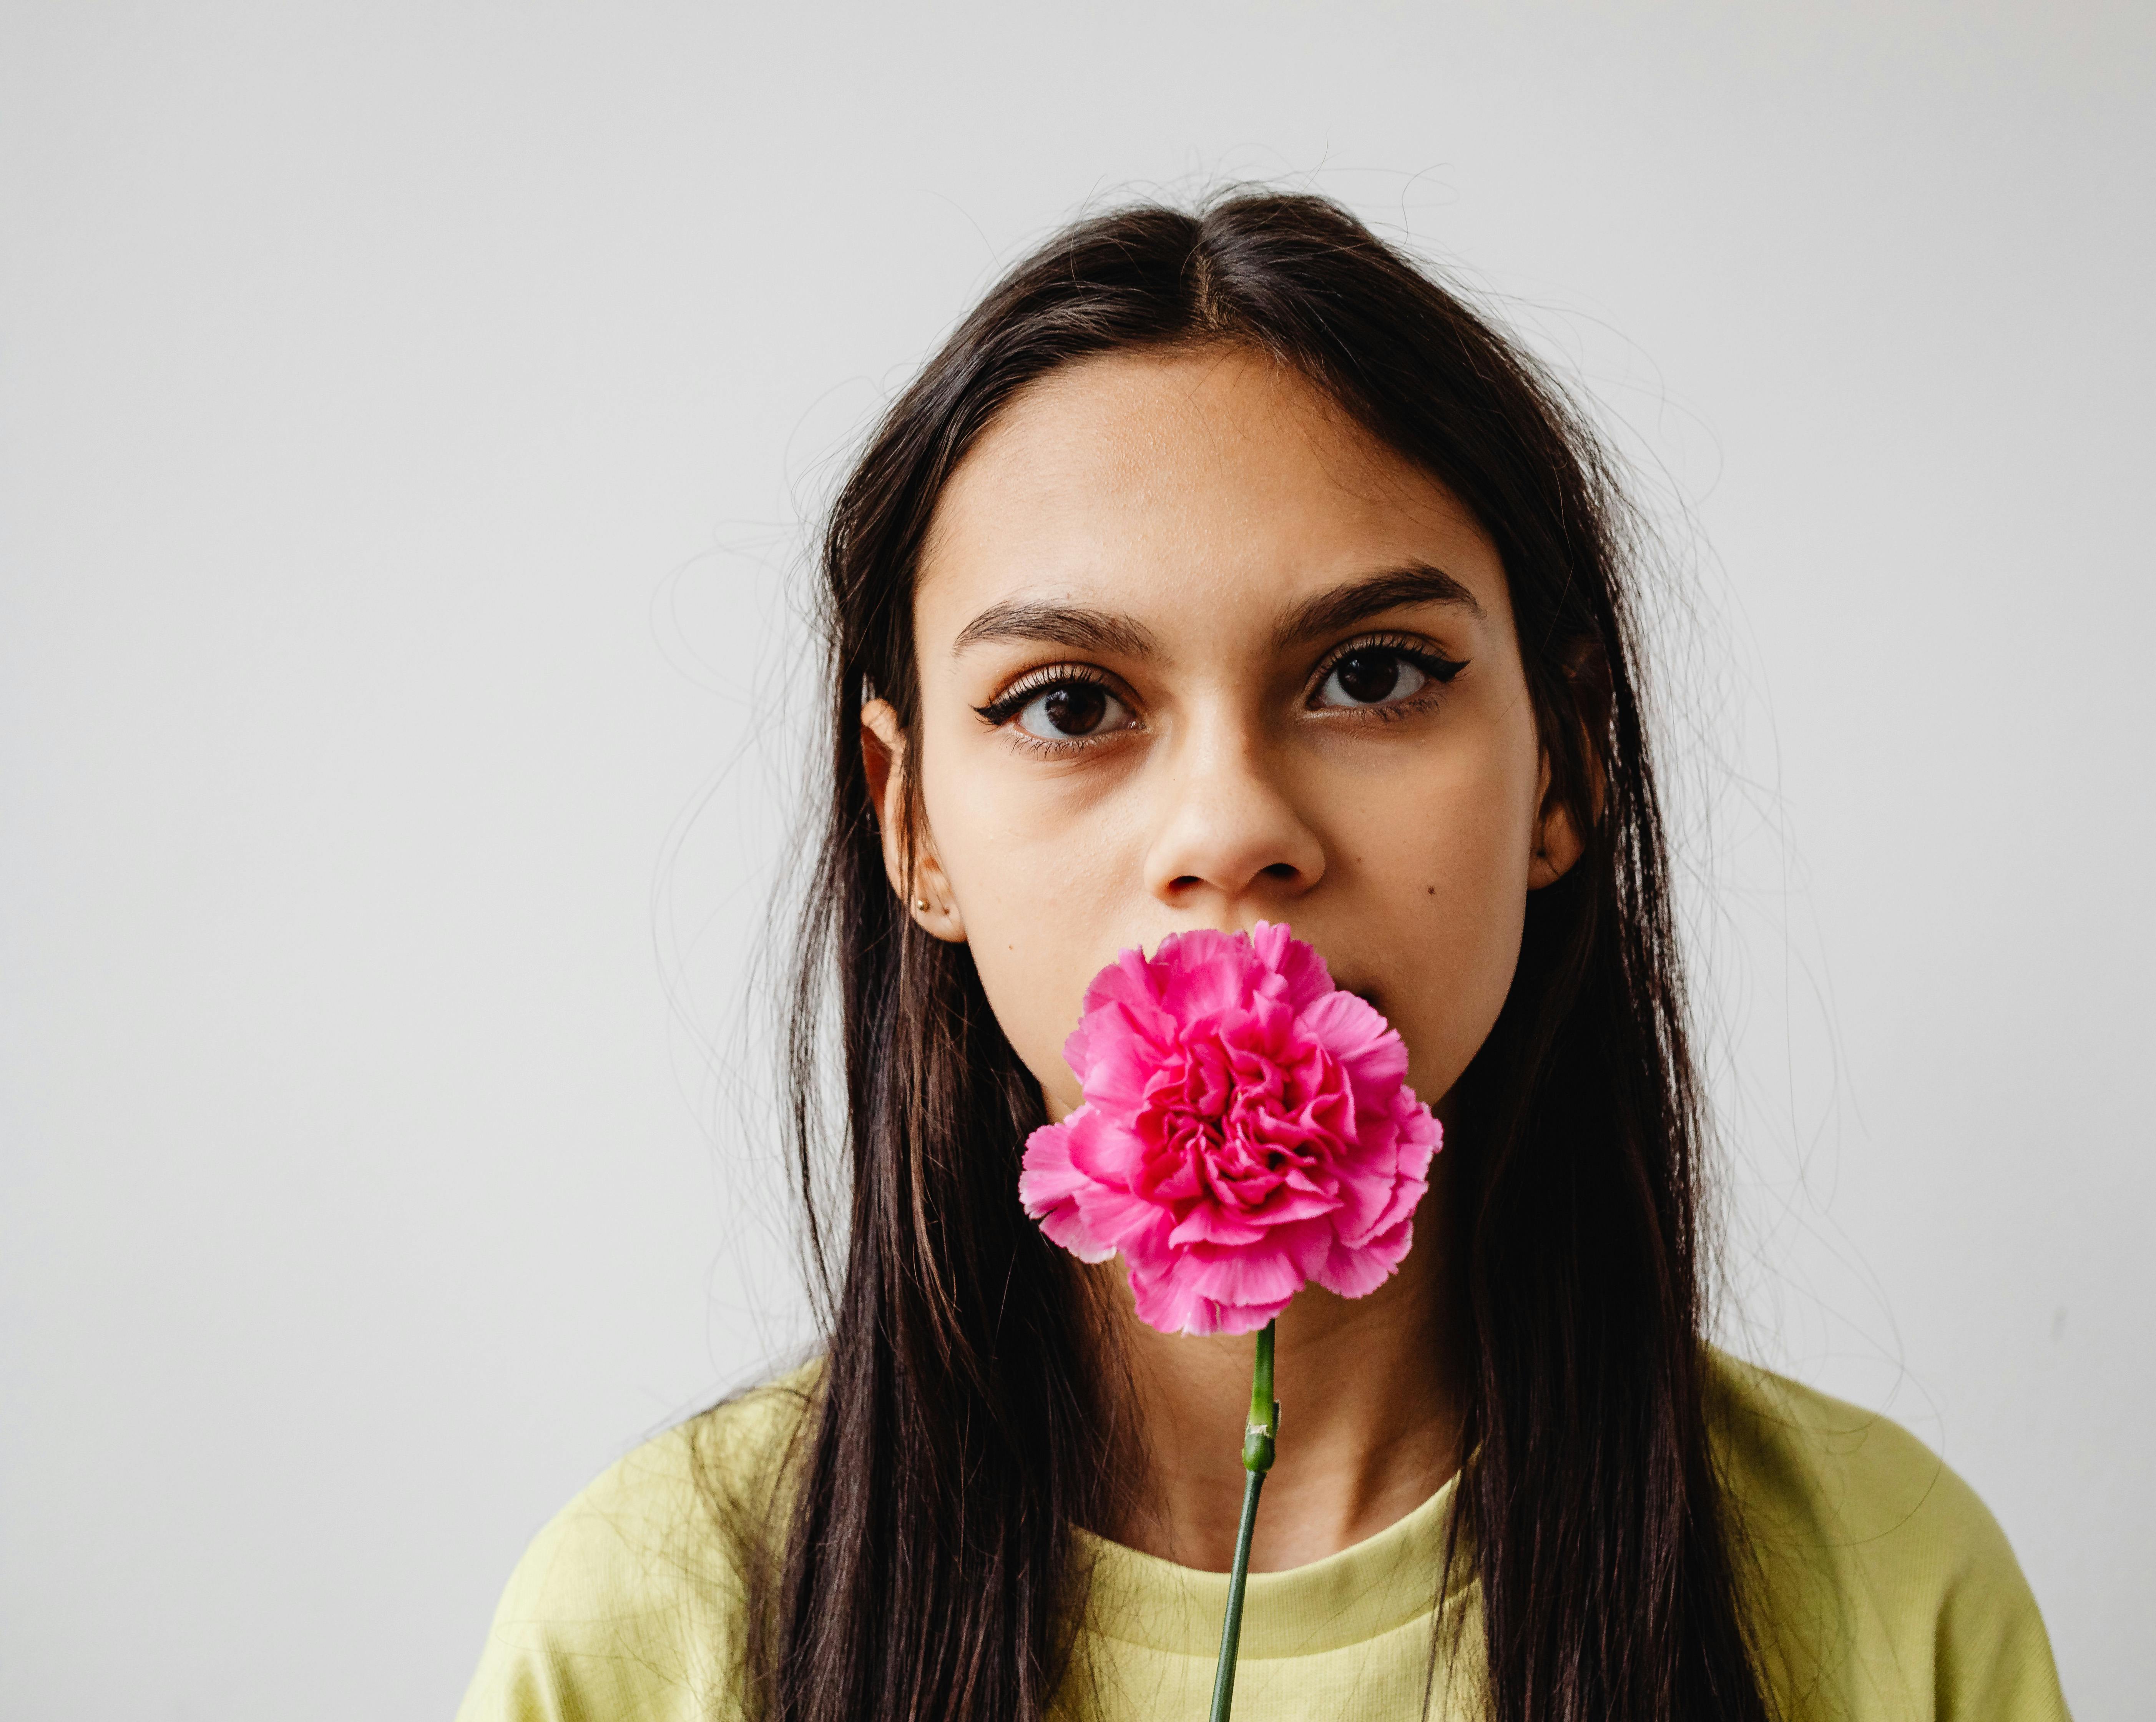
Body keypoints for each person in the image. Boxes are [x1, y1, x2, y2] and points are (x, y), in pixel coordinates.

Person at [456, 191, 2071, 1722]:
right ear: (915, 829)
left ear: (1568, 769)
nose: (1231, 829)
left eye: (1372, 675)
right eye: (1070, 704)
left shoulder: (1885, 1593)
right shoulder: (651, 1627)